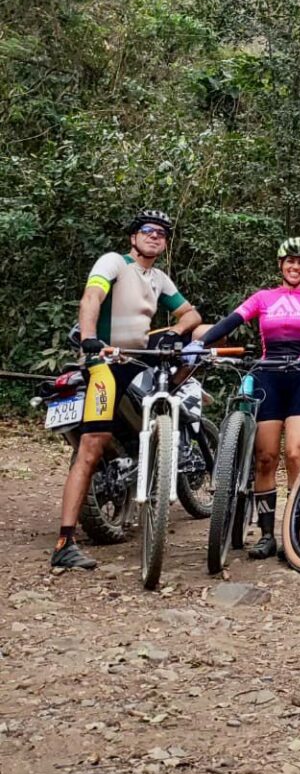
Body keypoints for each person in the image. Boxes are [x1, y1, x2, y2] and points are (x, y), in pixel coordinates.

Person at [53, 209, 201, 570]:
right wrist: (90, 340)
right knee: (92, 445)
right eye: (148, 230)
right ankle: (64, 542)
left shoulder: (159, 278)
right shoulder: (115, 263)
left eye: (162, 234)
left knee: (205, 334)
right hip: (106, 362)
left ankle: (167, 420)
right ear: (133, 237)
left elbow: (192, 314)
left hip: (141, 360)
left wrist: (175, 332)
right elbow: (91, 298)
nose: (155, 236)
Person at [186, 237, 300, 560]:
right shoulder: (264, 297)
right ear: (281, 264)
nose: (296, 267)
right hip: (269, 375)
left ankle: (292, 533)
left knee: (295, 453)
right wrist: (201, 343)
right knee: (265, 457)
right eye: (290, 261)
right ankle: (267, 535)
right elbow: (232, 320)